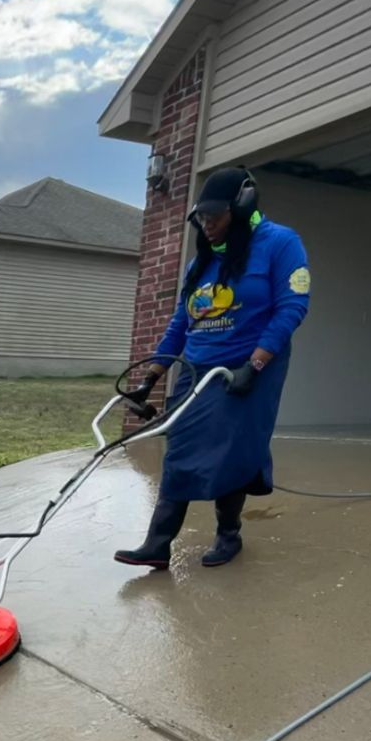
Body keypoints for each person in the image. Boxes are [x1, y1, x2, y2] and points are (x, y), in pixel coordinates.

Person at [114, 167, 311, 570]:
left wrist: (254, 365)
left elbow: (292, 307)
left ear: (241, 207)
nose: (206, 226)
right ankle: (157, 544)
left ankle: (229, 535)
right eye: (200, 218)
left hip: (249, 365)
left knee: (232, 450)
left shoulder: (280, 243)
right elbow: (180, 324)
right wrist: (150, 378)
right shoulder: (202, 261)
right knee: (181, 447)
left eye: (214, 217)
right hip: (197, 366)